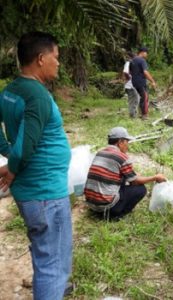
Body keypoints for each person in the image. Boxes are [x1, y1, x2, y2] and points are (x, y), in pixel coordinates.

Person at [0, 32, 72, 299]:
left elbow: (19, 144)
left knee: (45, 252)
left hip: (31, 192)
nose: (58, 63)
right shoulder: (37, 96)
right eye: (56, 57)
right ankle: (53, 287)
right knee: (53, 262)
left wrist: (6, 153)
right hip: (45, 193)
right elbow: (25, 146)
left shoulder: (11, 90)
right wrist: (12, 166)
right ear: (41, 59)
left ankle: (55, 286)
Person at [84, 126, 167, 219]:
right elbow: (134, 182)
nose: (128, 145)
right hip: (106, 206)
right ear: (120, 142)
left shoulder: (100, 153)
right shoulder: (121, 157)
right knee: (141, 189)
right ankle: (117, 215)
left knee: (124, 178)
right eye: (127, 142)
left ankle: (101, 209)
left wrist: (134, 176)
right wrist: (155, 177)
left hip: (91, 203)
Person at [129, 47, 156, 120]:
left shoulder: (133, 60)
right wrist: (152, 81)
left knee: (140, 97)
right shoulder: (142, 60)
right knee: (145, 97)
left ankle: (139, 113)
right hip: (141, 82)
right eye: (146, 53)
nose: (147, 55)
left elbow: (130, 72)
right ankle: (144, 115)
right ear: (143, 52)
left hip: (134, 82)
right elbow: (145, 72)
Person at [123, 51, 140, 118]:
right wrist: (129, 78)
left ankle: (133, 115)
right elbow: (125, 72)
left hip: (131, 86)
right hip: (130, 86)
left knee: (134, 100)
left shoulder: (132, 63)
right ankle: (133, 116)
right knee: (135, 100)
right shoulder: (128, 62)